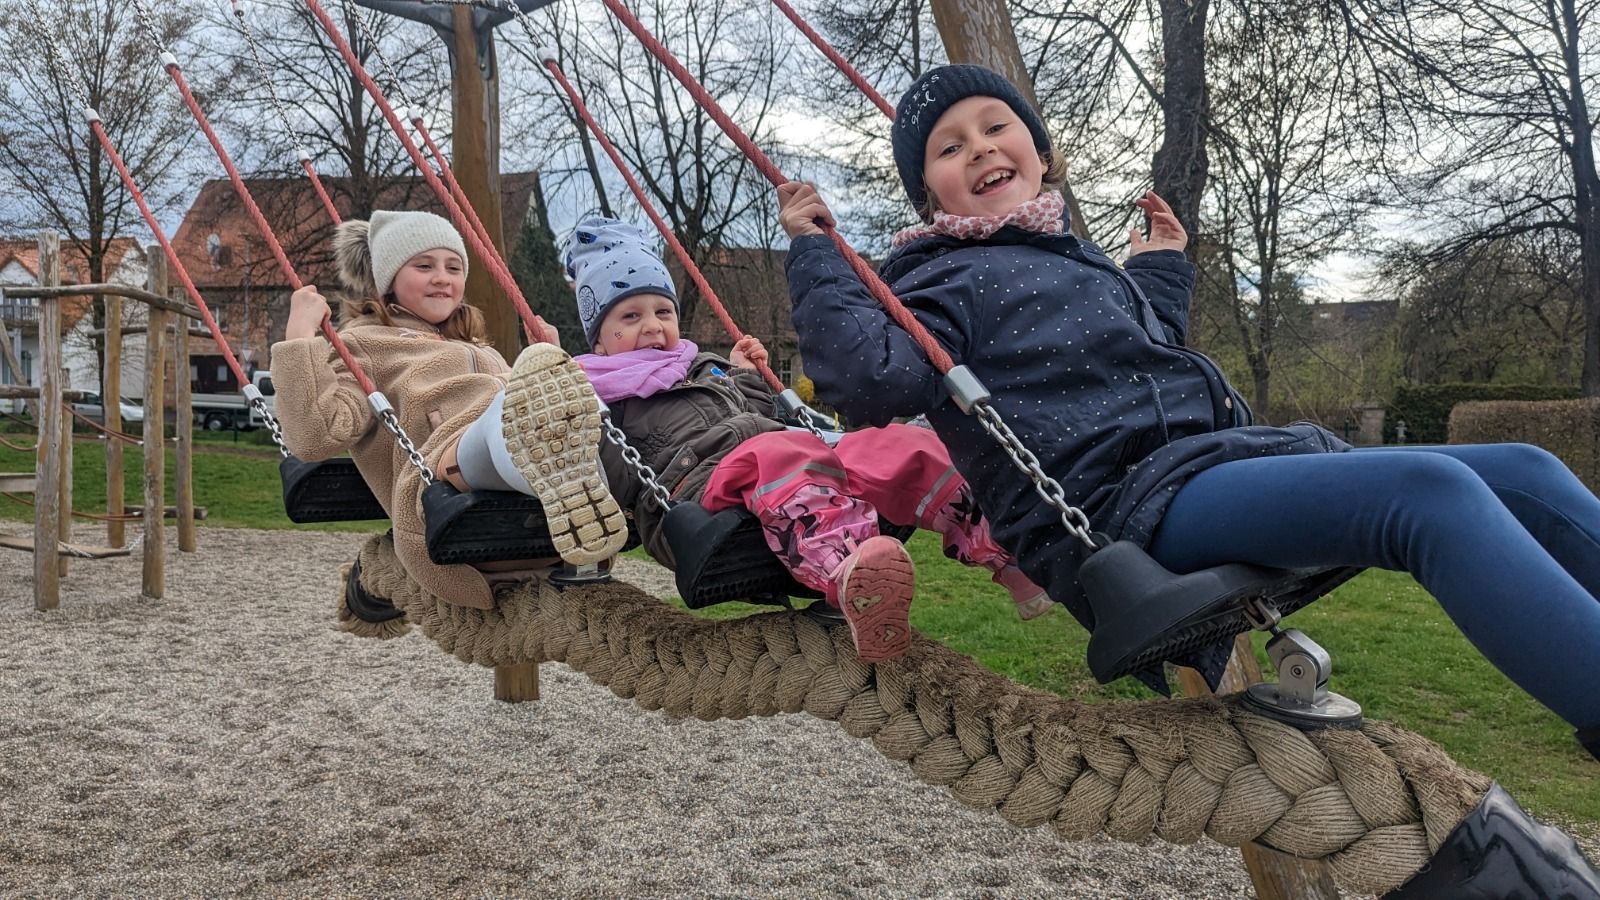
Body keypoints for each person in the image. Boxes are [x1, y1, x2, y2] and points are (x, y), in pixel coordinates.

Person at [778, 63, 1600, 758]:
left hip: (1208, 465)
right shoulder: (931, 283)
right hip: (1119, 508)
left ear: (1039, 149)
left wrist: (1161, 270)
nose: (982, 148)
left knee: (1526, 468)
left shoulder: (1075, 258)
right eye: (949, 148)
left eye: (998, 126)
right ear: (929, 192)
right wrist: (819, 256)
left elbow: (1147, 358)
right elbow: (870, 382)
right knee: (1428, 495)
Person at [563, 217, 1050, 662]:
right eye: (630, 317)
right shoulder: (601, 398)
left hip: (778, 460)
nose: (653, 325)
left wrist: (742, 375)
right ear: (599, 340)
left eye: (662, 311)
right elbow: (614, 482)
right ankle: (850, 575)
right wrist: (564, 405)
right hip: (697, 497)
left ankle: (1002, 549)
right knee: (779, 451)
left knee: (891, 442)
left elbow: (749, 415)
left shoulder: (699, 368)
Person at [272, 210, 628, 610]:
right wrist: (300, 338)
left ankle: (581, 484)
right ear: (388, 279)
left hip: (535, 536)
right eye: (424, 266)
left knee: (568, 407)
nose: (442, 277)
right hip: (450, 496)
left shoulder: (482, 350)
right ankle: (546, 462)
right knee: (508, 420)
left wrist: (551, 355)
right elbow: (315, 436)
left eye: (453, 266)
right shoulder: (362, 346)